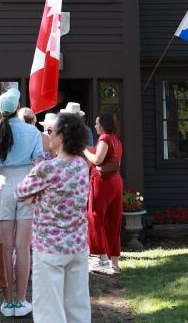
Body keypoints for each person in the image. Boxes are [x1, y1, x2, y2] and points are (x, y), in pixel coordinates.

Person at [16, 113, 91, 323]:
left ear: (61, 137)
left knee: (49, 312)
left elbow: (20, 193)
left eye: (50, 131)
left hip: (49, 249)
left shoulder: (46, 169)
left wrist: (36, 193)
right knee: (77, 309)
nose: (47, 136)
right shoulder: (82, 166)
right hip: (77, 246)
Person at [0, 88, 44, 317]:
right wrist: (35, 189)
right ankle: (21, 301)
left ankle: (8, 302)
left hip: (5, 187)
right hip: (26, 187)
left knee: (6, 248)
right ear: (18, 107)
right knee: (23, 248)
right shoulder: (32, 131)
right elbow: (39, 163)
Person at [83, 113, 124, 275]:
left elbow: (97, 160)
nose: (95, 126)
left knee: (95, 216)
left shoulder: (105, 139)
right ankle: (114, 264)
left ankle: (98, 259)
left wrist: (84, 151)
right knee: (114, 220)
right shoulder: (116, 139)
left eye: (97, 123)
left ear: (104, 125)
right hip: (116, 181)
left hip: (102, 182)